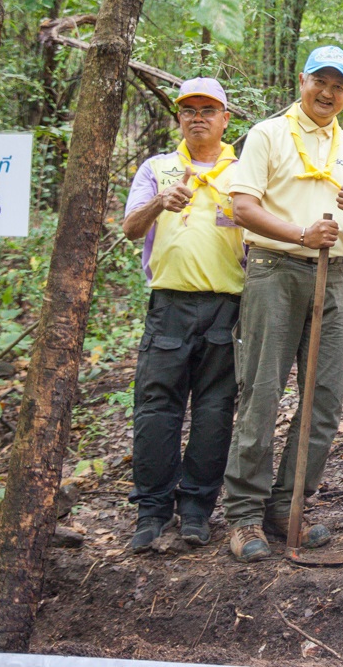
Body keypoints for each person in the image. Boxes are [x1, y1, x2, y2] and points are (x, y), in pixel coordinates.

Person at [223, 46, 343, 562]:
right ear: (303, 80)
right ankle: (244, 513)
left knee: (325, 397)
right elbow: (241, 206)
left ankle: (288, 506)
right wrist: (299, 233)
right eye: (320, 82)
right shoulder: (268, 134)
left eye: (339, 86)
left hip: (334, 277)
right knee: (263, 391)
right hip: (274, 270)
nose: (327, 93)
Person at [120, 78, 243, 551]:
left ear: (225, 118)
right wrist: (159, 202)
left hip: (225, 308)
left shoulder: (243, 170)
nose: (198, 117)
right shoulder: (158, 168)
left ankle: (196, 510)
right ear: (178, 118)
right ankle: (151, 511)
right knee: (156, 410)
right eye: (188, 110)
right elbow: (131, 228)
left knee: (214, 412)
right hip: (169, 305)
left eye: (208, 109)